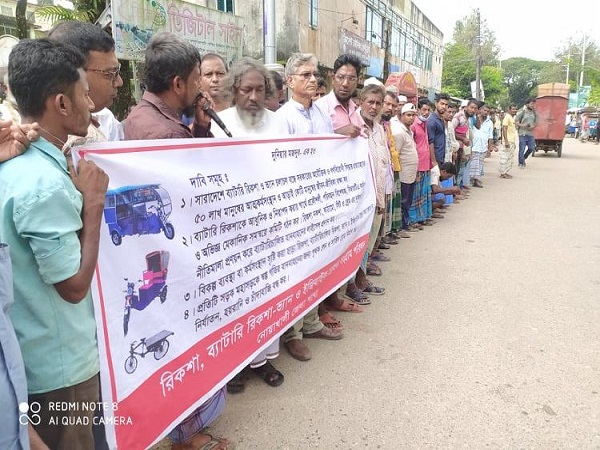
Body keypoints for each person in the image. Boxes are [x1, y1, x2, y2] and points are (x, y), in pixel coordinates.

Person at [122, 32, 231, 450]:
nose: (203, 86)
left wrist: (201, 127)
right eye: (197, 78)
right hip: (172, 254)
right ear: (178, 83)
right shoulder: (164, 133)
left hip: (159, 250)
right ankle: (185, 434)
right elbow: (193, 190)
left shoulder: (147, 116)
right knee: (181, 338)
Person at [1, 38, 108, 449]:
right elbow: (73, 287)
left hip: (32, 356)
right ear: (62, 103)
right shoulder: (44, 183)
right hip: (61, 372)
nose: (91, 107)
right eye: (84, 94)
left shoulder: (14, 163)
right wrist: (93, 207)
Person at [210, 58, 288, 392]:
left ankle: (263, 359)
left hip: (270, 226)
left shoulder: (279, 123)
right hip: (232, 230)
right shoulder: (218, 123)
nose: (253, 97)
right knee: (236, 299)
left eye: (259, 89)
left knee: (267, 295)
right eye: (246, 89)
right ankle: (236, 364)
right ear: (234, 90)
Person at [275, 53, 345, 362]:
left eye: (314, 74)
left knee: (317, 265)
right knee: (297, 270)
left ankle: (312, 321)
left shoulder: (321, 114)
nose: (313, 79)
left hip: (320, 202)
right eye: (305, 74)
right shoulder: (282, 118)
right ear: (290, 81)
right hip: (295, 206)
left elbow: (328, 152)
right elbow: (280, 163)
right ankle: (293, 334)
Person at [48, 21, 124, 145]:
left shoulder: (105, 120)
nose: (119, 82)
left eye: (117, 71)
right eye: (109, 73)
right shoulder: (21, 138)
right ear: (75, 74)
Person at [391, 103, 419, 234]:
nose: (411, 118)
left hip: (410, 173)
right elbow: (396, 154)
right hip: (403, 173)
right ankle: (401, 226)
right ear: (401, 116)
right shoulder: (399, 132)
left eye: (413, 115)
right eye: (408, 115)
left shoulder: (409, 131)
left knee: (408, 200)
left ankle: (406, 224)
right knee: (403, 201)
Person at [409, 97, 434, 228]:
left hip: (426, 163)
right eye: (424, 110)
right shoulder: (413, 125)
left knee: (424, 192)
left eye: (428, 110)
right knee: (416, 194)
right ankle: (413, 220)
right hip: (417, 164)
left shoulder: (425, 124)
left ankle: (423, 217)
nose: (426, 113)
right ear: (418, 110)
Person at [470, 102, 494, 188]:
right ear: (480, 110)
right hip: (473, 146)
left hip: (483, 146)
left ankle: (477, 180)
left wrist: (489, 148)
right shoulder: (473, 119)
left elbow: (490, 136)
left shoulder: (489, 122)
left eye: (487, 111)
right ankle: (470, 180)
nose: (486, 112)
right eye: (484, 110)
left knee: (480, 164)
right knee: (473, 164)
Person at [427, 93, 450, 166]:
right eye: (442, 104)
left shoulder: (441, 119)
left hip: (441, 158)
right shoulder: (432, 121)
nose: (444, 107)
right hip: (435, 160)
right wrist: (434, 161)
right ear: (436, 104)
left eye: (446, 105)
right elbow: (430, 142)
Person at [516, 98, 537, 168]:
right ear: (527, 104)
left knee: (531, 148)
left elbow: (536, 122)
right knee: (522, 148)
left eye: (534, 104)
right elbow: (516, 122)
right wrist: (523, 125)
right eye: (532, 104)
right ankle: (521, 163)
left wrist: (533, 126)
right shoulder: (522, 111)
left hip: (530, 134)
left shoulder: (534, 112)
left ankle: (523, 158)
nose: (533, 105)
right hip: (522, 133)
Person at [500, 104, 518, 179]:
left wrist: (514, 143)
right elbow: (504, 129)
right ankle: (503, 173)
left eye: (515, 109)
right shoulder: (507, 117)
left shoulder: (512, 118)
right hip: (508, 141)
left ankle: (505, 172)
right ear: (509, 110)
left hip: (511, 141)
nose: (514, 110)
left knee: (509, 158)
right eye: (513, 109)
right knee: (504, 157)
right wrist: (506, 141)